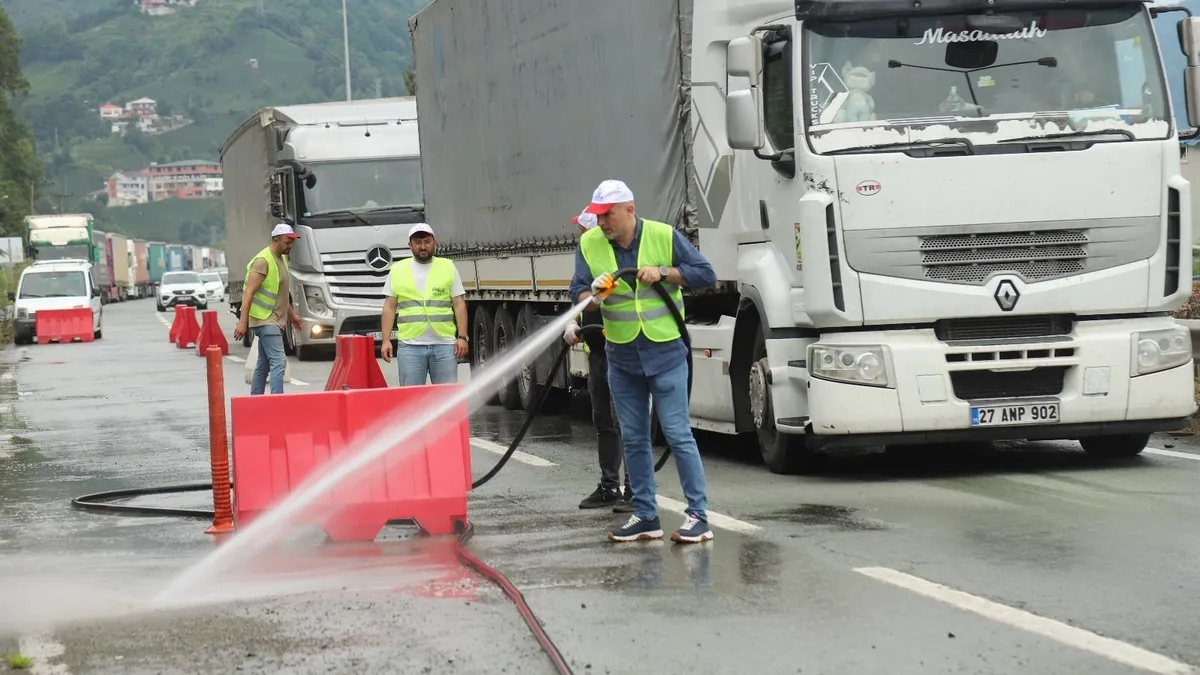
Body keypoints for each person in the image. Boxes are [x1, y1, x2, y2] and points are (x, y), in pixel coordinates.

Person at [569, 179, 718, 544]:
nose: (602, 223)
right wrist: (594, 296)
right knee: (634, 438)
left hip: (665, 351)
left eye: (609, 216)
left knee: (677, 434)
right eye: (598, 217)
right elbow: (578, 292)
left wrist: (665, 273)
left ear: (630, 210)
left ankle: (698, 516)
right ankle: (646, 515)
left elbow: (706, 274)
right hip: (621, 355)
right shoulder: (589, 243)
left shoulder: (664, 236)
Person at [564, 209, 633, 513]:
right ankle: (609, 486)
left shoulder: (617, 259)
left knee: (627, 423)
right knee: (604, 421)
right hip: (598, 352)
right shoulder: (589, 259)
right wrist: (573, 324)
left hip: (624, 352)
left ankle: (634, 489)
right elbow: (583, 296)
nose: (581, 237)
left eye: (584, 230)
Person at [380, 223, 470, 385]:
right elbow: (389, 306)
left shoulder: (447, 266)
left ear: (435, 242)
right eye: (418, 242)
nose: (423, 247)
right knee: (412, 399)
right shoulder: (398, 269)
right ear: (410, 245)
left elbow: (459, 303)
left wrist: (462, 337)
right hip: (410, 345)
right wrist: (386, 340)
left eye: (427, 241)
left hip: (444, 345)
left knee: (446, 398)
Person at [233, 222, 303, 395]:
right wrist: (243, 323)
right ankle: (276, 402)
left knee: (263, 365)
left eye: (292, 242)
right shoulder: (263, 261)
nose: (290, 246)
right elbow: (248, 293)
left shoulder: (281, 258)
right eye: (287, 242)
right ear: (276, 240)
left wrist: (293, 315)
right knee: (279, 362)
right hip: (265, 319)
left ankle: (256, 400)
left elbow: (281, 293)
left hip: (275, 319)